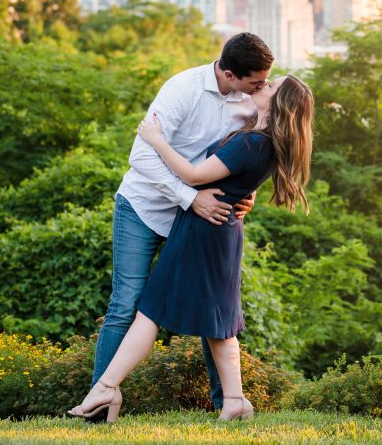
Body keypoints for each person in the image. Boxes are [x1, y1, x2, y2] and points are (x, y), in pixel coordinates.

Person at [69, 74, 314, 422]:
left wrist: (156, 139)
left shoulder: (253, 143)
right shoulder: (259, 139)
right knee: (218, 319)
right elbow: (236, 176)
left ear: (279, 105)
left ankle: (107, 388)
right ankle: (234, 400)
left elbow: (196, 176)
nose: (264, 85)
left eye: (271, 86)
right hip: (219, 232)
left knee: (152, 309)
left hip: (202, 230)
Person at [90, 33, 274, 416]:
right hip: (144, 208)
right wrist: (191, 198)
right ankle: (99, 400)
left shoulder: (250, 102)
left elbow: (246, 155)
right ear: (229, 73)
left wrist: (244, 192)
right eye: (255, 82)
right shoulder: (183, 89)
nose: (262, 87)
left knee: (210, 305)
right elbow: (141, 155)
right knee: (126, 306)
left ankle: (227, 402)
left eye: (264, 81)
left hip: (196, 220)